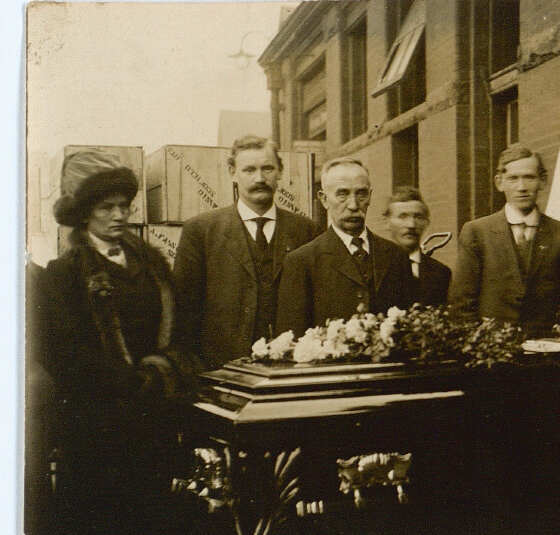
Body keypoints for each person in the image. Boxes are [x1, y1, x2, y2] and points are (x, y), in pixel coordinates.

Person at [37, 149, 201, 535]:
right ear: (83, 214)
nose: (118, 214)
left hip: (154, 422)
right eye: (106, 206)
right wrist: (127, 383)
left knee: (153, 530)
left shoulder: (151, 264)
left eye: (123, 204)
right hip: (99, 431)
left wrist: (163, 369)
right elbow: (64, 353)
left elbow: (180, 330)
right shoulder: (63, 275)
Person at [173, 135, 323, 369]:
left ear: (280, 171)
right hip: (221, 370)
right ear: (233, 173)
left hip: (289, 370)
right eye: (249, 170)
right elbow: (184, 312)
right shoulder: (201, 231)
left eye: (268, 168)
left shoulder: (306, 230)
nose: (259, 178)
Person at [448, 145, 560, 337]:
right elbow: (461, 303)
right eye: (513, 178)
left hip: (548, 351)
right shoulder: (477, 232)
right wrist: (481, 346)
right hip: (491, 353)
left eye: (529, 177)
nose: (521, 187)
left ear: (542, 181)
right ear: (499, 182)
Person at [275, 158, 415, 337]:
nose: (354, 205)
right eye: (342, 194)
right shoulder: (302, 261)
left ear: (370, 197)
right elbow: (290, 339)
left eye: (361, 194)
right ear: (324, 199)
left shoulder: (397, 256)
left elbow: (410, 331)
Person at [384, 186, 451, 306]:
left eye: (418, 217)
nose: (411, 225)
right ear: (386, 222)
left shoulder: (441, 273)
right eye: (403, 216)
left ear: (427, 222)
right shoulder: (374, 268)